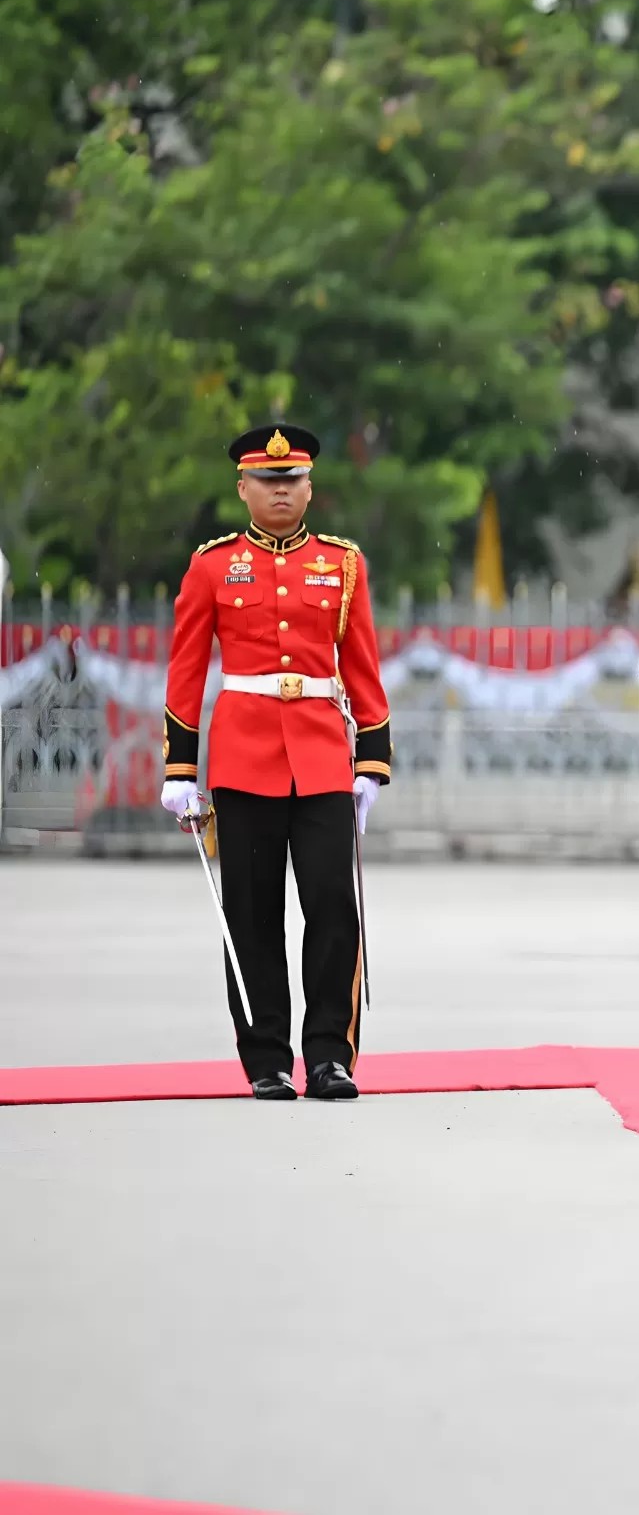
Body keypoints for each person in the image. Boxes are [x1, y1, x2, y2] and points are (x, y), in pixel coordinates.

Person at [160, 423, 393, 1101]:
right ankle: (266, 1058)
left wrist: (371, 762)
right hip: (243, 759)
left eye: (292, 480)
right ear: (244, 488)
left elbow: (362, 665)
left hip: (321, 757)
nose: (280, 491)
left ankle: (329, 1056)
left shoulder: (342, 564)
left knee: (332, 907)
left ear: (310, 487)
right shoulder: (212, 566)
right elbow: (186, 670)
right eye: (267, 480)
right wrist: (180, 771)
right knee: (252, 913)